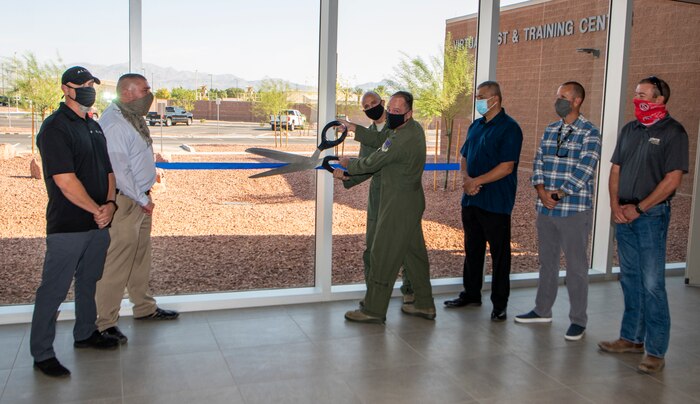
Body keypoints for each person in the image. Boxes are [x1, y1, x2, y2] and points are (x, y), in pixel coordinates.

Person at [31, 66, 120, 377]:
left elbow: (109, 172)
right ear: (65, 89)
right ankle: (42, 353)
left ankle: (85, 333)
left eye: (90, 83)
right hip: (68, 226)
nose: (87, 88)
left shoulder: (93, 126)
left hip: (98, 225)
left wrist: (109, 204)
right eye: (80, 84)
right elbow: (65, 181)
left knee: (88, 282)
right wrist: (96, 209)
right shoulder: (55, 128)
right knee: (53, 291)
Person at [599, 76, 688, 373]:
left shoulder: (673, 132)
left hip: (650, 216)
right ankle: (631, 338)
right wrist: (614, 206)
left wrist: (639, 208)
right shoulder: (630, 129)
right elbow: (616, 170)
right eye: (636, 93)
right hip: (624, 214)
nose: (638, 98)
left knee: (652, 285)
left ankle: (656, 351)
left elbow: (672, 180)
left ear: (660, 99)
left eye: (644, 94)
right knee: (630, 279)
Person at [333, 91, 435, 323]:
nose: (392, 114)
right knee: (414, 256)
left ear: (409, 113)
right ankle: (424, 304)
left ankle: (373, 310)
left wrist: (350, 165)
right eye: (390, 109)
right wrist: (354, 129)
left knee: (382, 254)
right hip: (408, 203)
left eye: (397, 111)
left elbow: (376, 159)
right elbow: (380, 141)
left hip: (399, 206)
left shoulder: (403, 138)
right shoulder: (407, 129)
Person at [95, 73, 179, 344]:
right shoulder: (115, 124)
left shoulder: (132, 117)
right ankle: (104, 322)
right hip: (126, 201)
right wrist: (142, 199)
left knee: (139, 257)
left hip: (140, 198)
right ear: (128, 93)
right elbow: (119, 172)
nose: (149, 95)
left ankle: (144, 308)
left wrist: (145, 194)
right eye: (145, 90)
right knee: (117, 262)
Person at [514, 82, 601, 341]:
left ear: (576, 101)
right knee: (547, 263)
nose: (557, 101)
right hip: (546, 209)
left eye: (562, 97)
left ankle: (578, 320)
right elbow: (538, 161)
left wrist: (559, 193)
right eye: (556, 96)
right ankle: (542, 310)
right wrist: (541, 191)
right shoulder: (551, 129)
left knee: (576, 267)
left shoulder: (589, 132)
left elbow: (585, 170)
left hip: (574, 210)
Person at [444, 81, 523, 322]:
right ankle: (471, 293)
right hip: (471, 200)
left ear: (495, 100)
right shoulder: (475, 126)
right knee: (472, 249)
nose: (477, 100)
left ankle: (499, 304)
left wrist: (477, 181)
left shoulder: (510, 128)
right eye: (477, 96)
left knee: (500, 255)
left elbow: (507, 167)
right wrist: (467, 179)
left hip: (496, 202)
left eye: (481, 96)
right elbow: (464, 156)